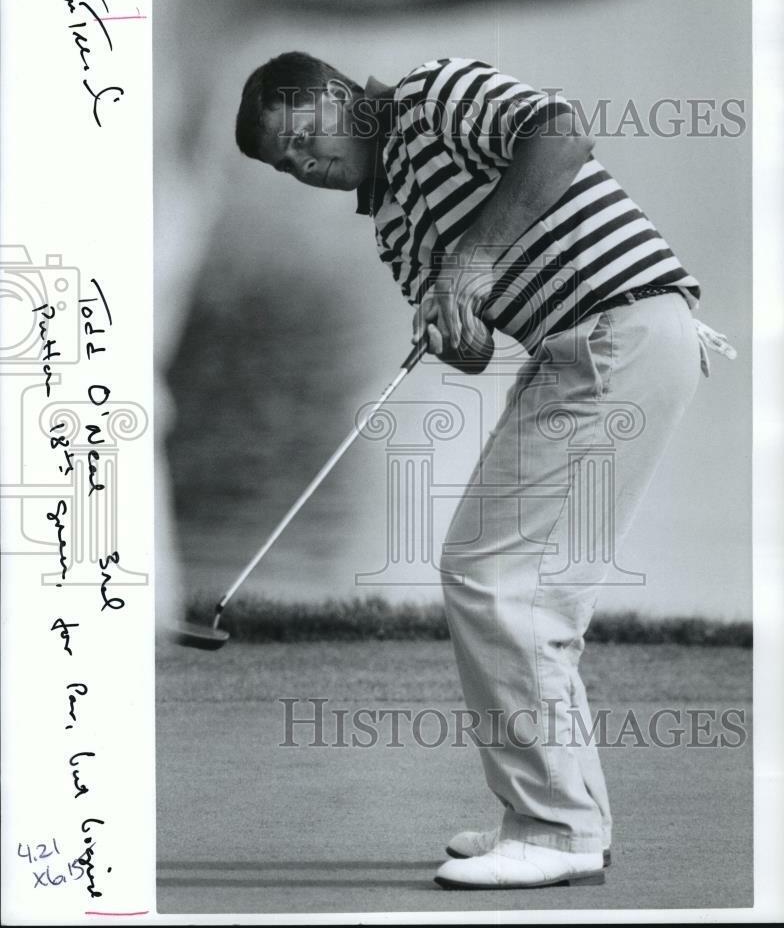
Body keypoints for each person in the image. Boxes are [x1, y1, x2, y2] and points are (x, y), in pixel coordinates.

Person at [234, 51, 736, 890]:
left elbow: (560, 134)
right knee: (528, 589)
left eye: (303, 134)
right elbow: (473, 353)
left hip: (620, 331)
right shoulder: (392, 222)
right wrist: (456, 330)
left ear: (335, 96)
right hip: (575, 353)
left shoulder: (434, 94)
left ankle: (555, 827)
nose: (306, 164)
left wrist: (468, 263)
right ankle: (559, 817)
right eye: (288, 166)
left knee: (495, 576)